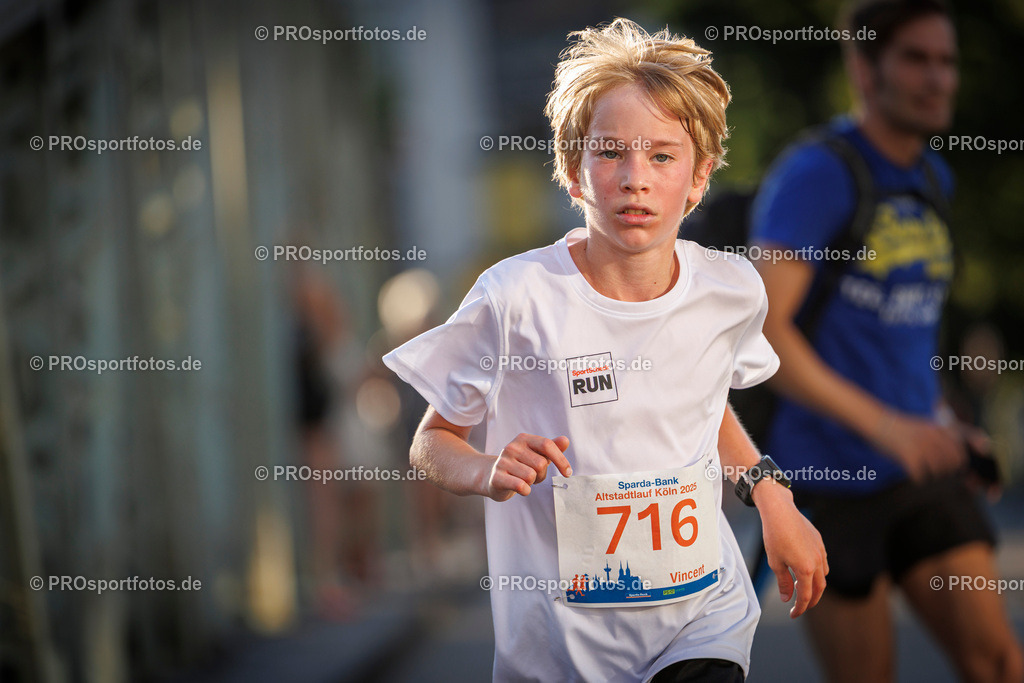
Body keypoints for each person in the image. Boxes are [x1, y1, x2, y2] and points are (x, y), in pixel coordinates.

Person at [383, 18, 827, 682]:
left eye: (662, 156)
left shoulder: (730, 289)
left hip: (700, 621)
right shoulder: (515, 297)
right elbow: (431, 441)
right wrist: (487, 468)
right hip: (559, 650)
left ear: (700, 176)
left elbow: (704, 409)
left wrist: (771, 495)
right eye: (611, 152)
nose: (635, 178)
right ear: (572, 170)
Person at [750, 1, 1024, 681]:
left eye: (947, 61)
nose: (939, 79)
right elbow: (761, 331)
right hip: (827, 479)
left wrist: (939, 421)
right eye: (916, 59)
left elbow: (903, 327)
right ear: (865, 70)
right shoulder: (816, 173)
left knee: (998, 662)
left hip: (919, 469)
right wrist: (888, 427)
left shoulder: (933, 178)